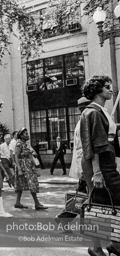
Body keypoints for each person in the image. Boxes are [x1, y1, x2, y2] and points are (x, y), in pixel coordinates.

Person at [80, 75, 120, 256]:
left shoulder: (101, 111)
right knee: (99, 204)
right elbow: (95, 145)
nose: (110, 90)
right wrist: (97, 172)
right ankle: (99, 247)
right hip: (100, 165)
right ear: (97, 91)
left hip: (107, 163)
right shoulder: (93, 112)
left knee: (102, 204)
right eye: (106, 87)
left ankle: (111, 245)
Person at [55, 96, 90, 226]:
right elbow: (82, 149)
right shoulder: (84, 123)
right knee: (85, 198)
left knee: (82, 196)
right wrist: (83, 170)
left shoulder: (82, 121)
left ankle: (65, 218)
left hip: (84, 167)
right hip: (86, 167)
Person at [14, 127, 47, 210]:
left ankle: (18, 202)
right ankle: (37, 203)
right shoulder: (19, 144)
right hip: (23, 167)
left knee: (28, 184)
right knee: (26, 184)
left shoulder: (26, 144)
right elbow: (16, 157)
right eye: (25, 134)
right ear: (21, 136)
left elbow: (30, 155)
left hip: (29, 166)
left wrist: (35, 166)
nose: (27, 135)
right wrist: (19, 169)